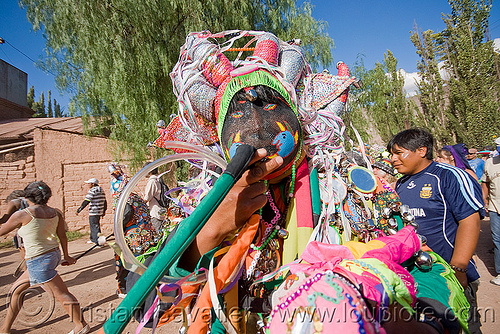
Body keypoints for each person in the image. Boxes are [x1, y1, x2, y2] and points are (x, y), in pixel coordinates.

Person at [388, 128, 484, 334]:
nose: (392, 159)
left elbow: (470, 221)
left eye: (398, 153)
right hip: (420, 277)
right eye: (391, 154)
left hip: (452, 274)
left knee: (465, 327)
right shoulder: (401, 184)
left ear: (421, 151)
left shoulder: (449, 176)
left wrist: (458, 268)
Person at [0, 181, 89, 334]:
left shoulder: (23, 214)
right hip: (51, 255)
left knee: (61, 294)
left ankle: (81, 325)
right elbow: (62, 235)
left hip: (38, 261)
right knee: (17, 290)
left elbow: (1, 230)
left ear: (27, 196)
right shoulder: (55, 212)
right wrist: (66, 255)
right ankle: (5, 329)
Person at [481, 137, 500, 286]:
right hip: (495, 207)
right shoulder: (490, 163)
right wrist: (485, 201)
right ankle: (499, 272)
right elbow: (485, 183)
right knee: (497, 239)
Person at [0, 190, 30, 265]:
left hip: (23, 230)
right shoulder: (30, 201)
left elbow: (5, 219)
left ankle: (26, 272)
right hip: (34, 228)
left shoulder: (14, 202)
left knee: (24, 252)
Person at [76, 178, 106, 245]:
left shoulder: (93, 190)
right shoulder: (101, 190)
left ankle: (98, 242)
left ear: (93, 184)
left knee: (94, 226)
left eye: (88, 183)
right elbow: (104, 201)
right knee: (95, 225)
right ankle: (93, 239)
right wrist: (104, 210)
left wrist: (79, 209)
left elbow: (87, 201)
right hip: (99, 211)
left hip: (94, 211)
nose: (87, 185)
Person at [143, 167, 164, 232]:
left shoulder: (152, 181)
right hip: (160, 211)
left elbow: (147, 197)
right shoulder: (158, 180)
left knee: (158, 233)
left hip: (155, 212)